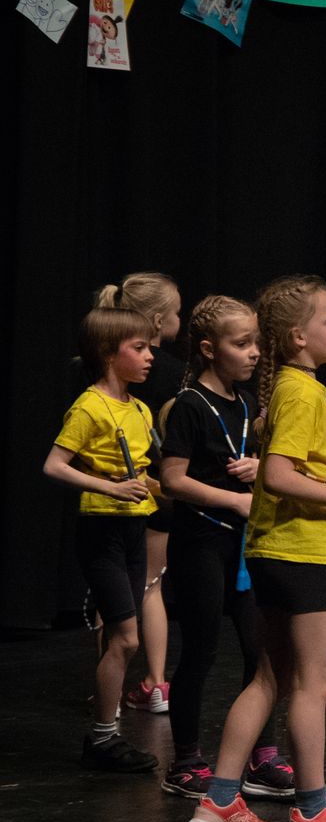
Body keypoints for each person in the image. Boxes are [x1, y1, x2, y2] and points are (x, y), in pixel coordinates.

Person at [188, 277, 326, 822]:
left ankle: (220, 800)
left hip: (277, 550)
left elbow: (293, 476)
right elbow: (279, 476)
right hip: (299, 555)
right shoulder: (302, 393)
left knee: (271, 678)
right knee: (312, 683)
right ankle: (313, 811)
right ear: (299, 336)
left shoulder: (288, 387)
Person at [157, 296, 293, 800]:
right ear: (210, 349)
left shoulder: (247, 404)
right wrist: (235, 500)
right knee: (200, 650)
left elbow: (256, 462)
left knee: (262, 651)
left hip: (244, 546)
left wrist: (258, 469)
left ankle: (262, 756)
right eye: (242, 343)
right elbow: (172, 480)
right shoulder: (191, 405)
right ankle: (186, 761)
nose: (255, 352)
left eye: (256, 342)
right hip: (201, 543)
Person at [42, 307, 161, 773]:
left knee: (123, 639)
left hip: (133, 528)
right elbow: (54, 465)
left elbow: (146, 476)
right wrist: (110, 488)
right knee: (126, 640)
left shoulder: (140, 408)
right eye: (139, 348)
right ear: (109, 354)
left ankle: (105, 736)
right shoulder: (89, 406)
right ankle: (103, 738)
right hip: (102, 530)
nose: (150, 356)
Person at [95, 273, 182, 716]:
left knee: (112, 593)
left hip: (124, 491)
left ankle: (109, 691)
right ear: (158, 319)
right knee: (150, 587)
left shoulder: (112, 364)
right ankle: (155, 682)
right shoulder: (174, 372)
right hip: (159, 490)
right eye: (177, 312)